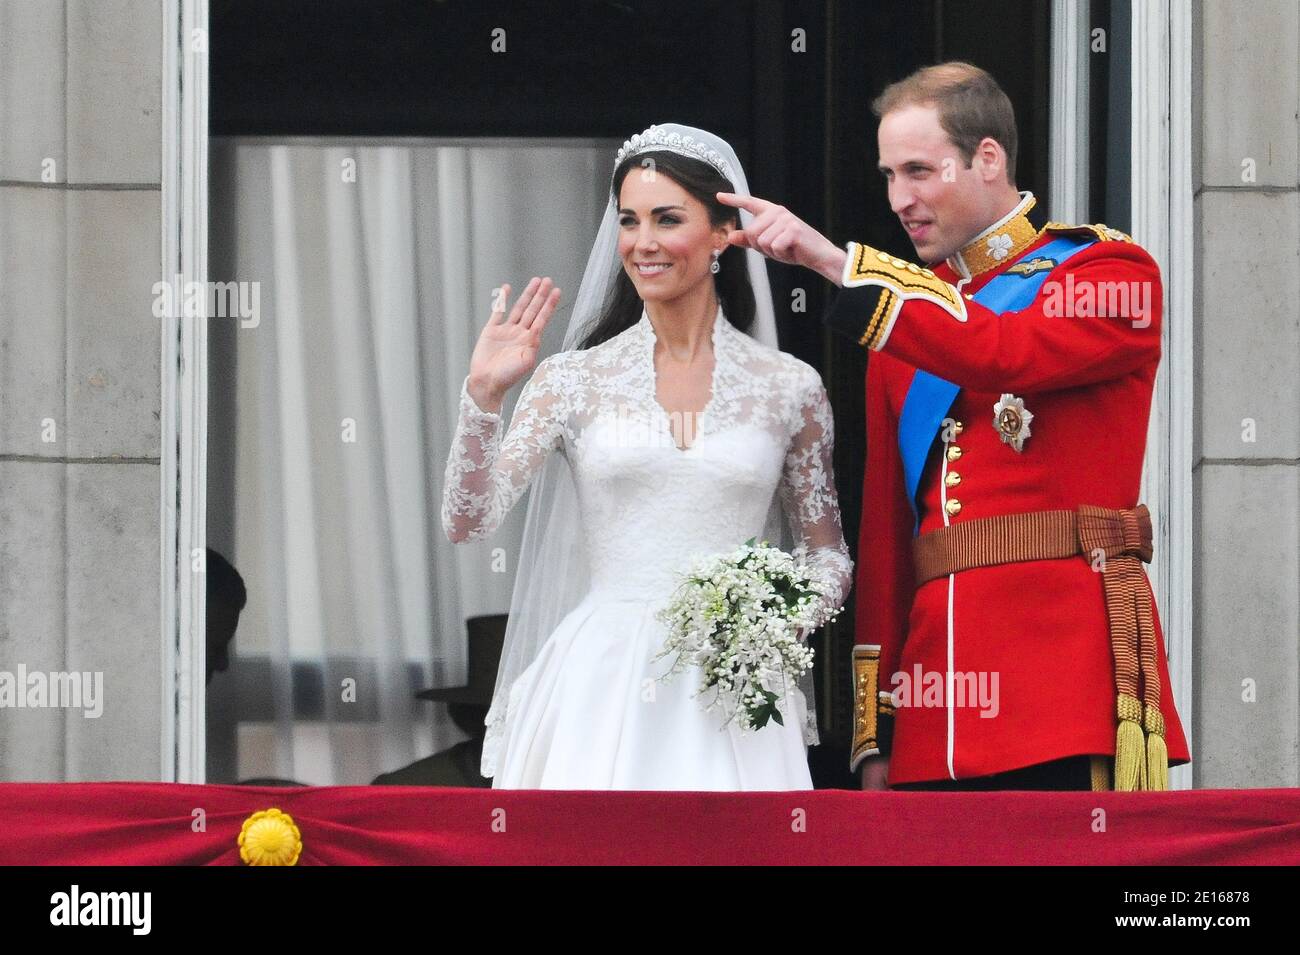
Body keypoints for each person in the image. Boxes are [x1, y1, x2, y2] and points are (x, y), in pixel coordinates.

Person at [719, 63, 1191, 792]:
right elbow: (885, 540)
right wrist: (875, 732)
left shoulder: (1108, 274)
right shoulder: (906, 322)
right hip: (934, 710)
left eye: (918, 170)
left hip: (1060, 692)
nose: (898, 199)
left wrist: (836, 264)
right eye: (887, 175)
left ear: (989, 159)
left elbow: (1002, 349)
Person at [440, 123, 852, 790]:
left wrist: (772, 618)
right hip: (598, 684)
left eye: (668, 218)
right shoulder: (572, 379)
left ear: (723, 233)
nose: (643, 241)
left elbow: (826, 553)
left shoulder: (790, 387)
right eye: (628, 220)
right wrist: (483, 397)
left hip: (732, 689)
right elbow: (468, 519)